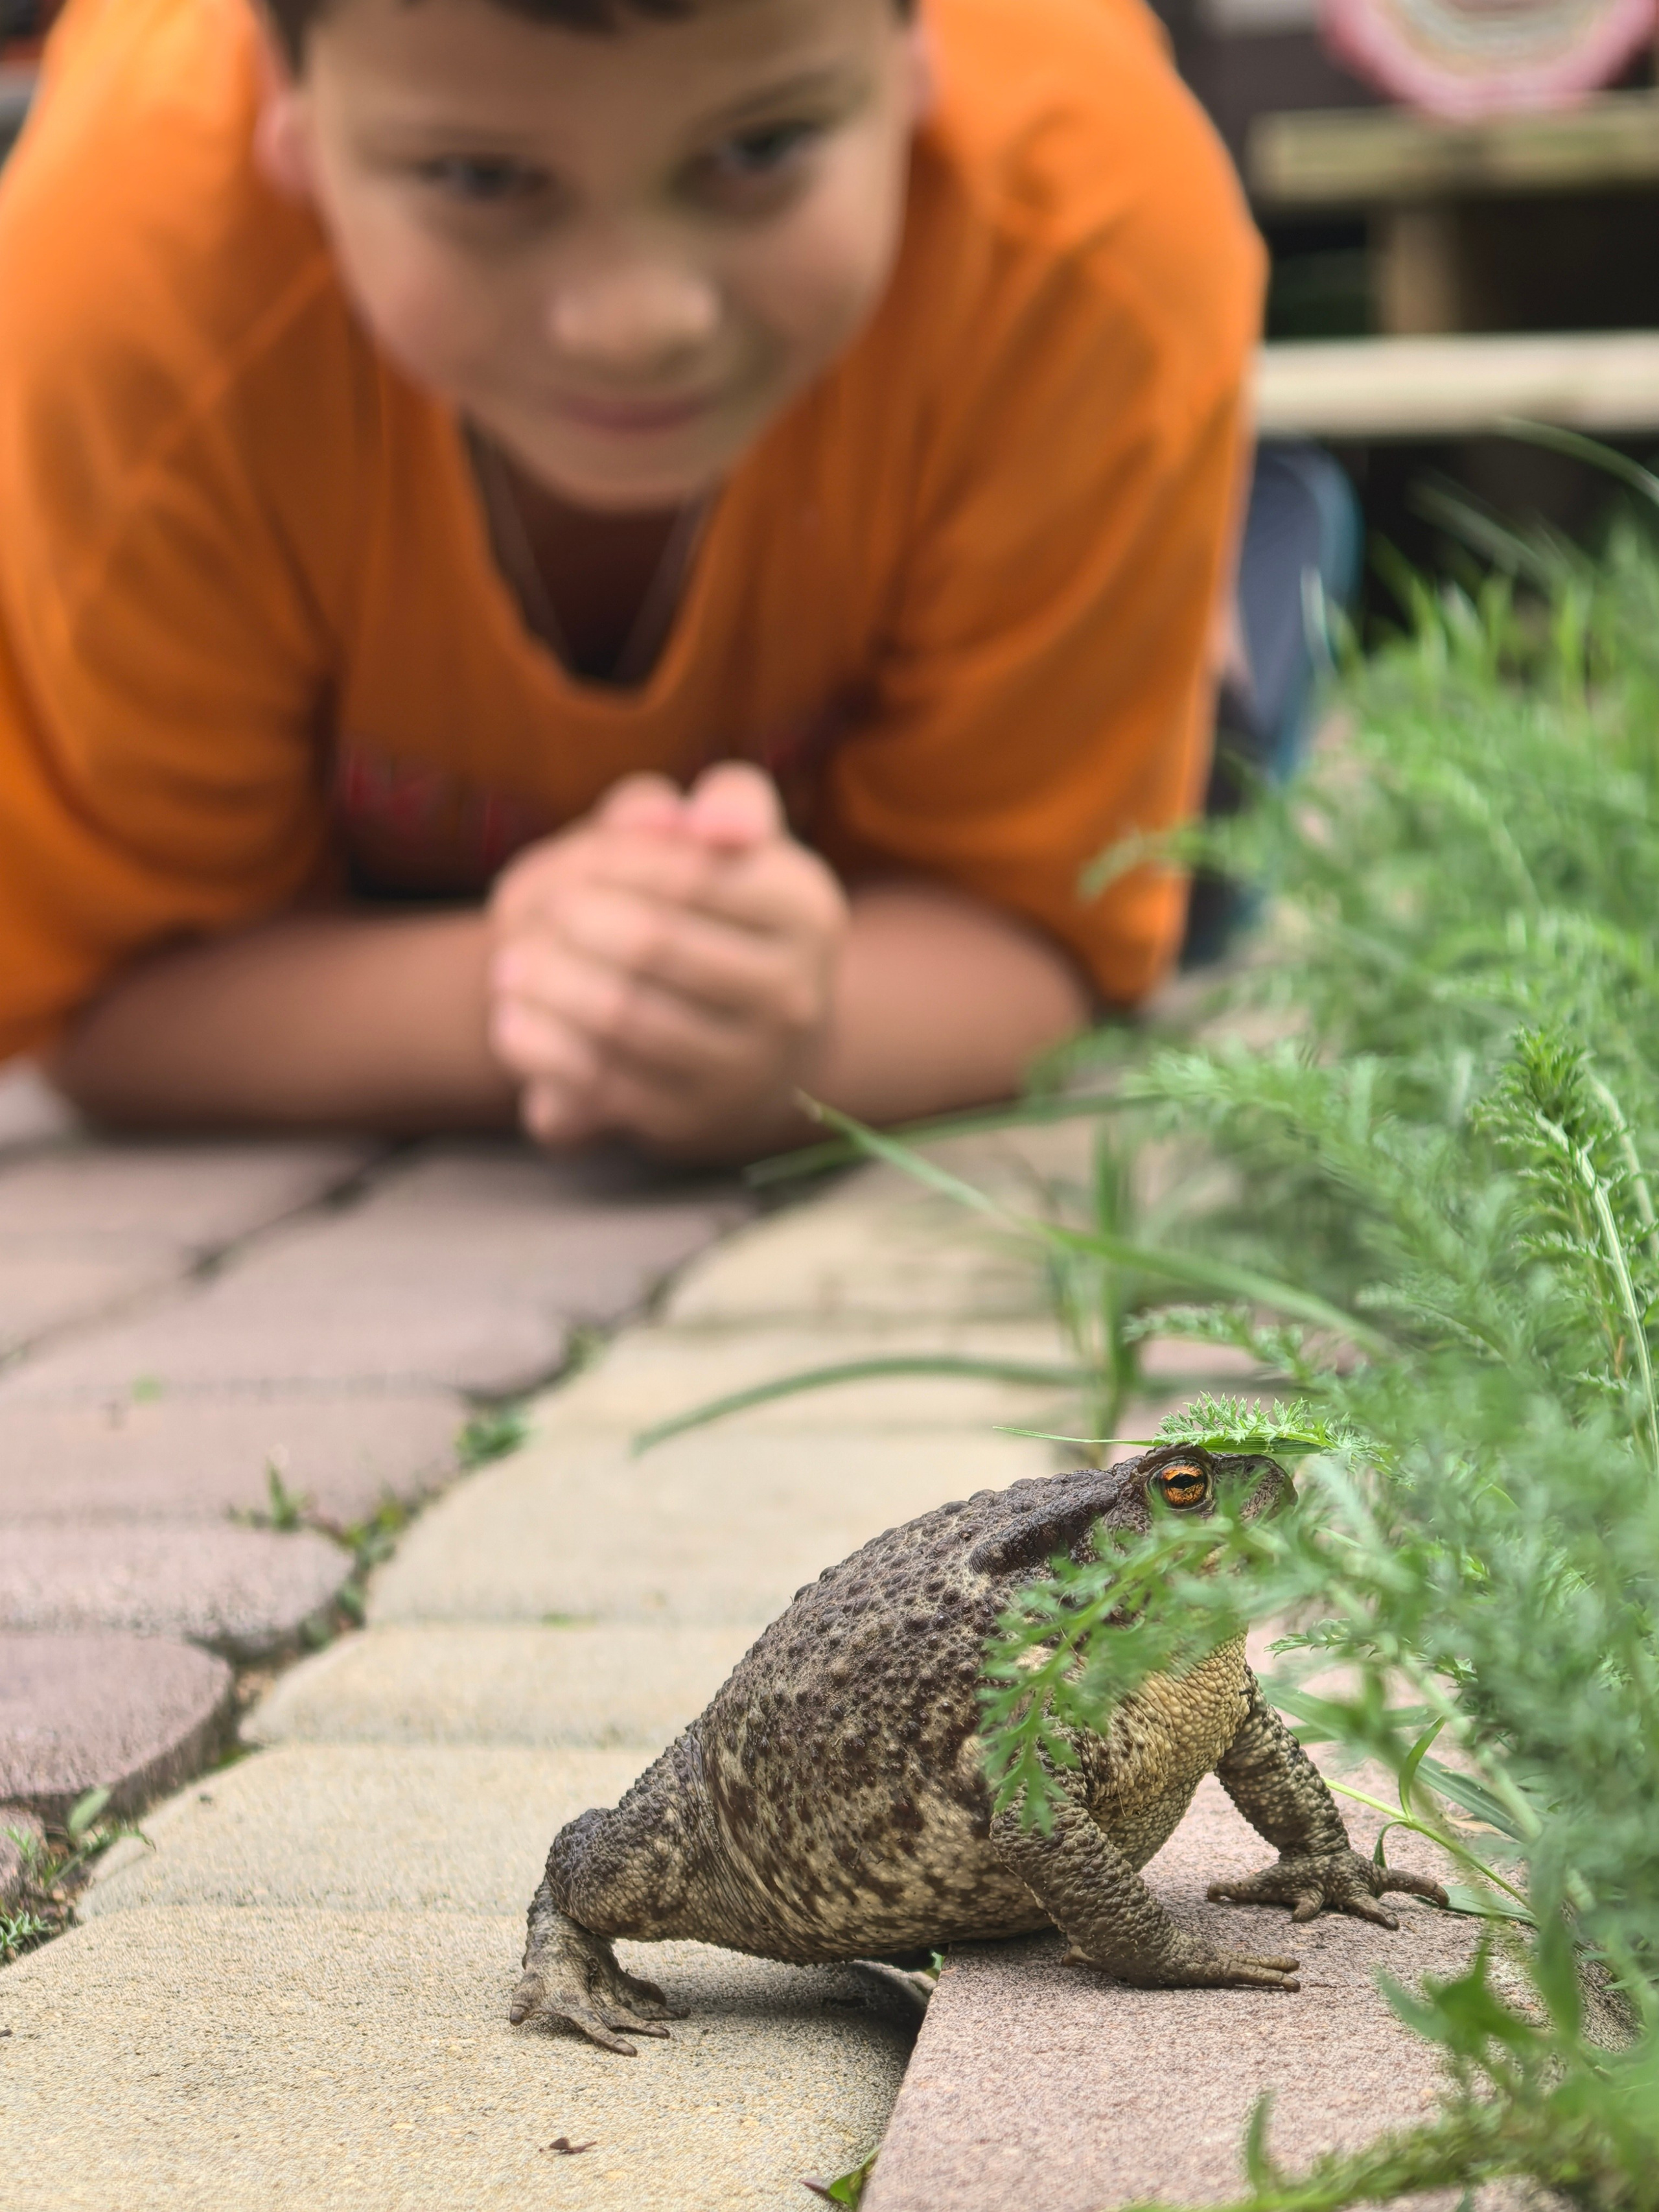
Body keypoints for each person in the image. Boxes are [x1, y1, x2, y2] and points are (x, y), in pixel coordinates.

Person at [0, 0, 1262, 1160]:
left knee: (1218, 814)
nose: (635, 322)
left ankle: (1236, 583)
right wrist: (546, 995)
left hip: (869, 799)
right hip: (392, 880)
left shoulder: (1090, 238)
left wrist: (797, 1045)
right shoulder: (109, 281)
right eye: (480, 178)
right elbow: (101, 994)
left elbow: (1040, 946)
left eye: (758, 150)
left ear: (910, 50)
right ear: (290, 100)